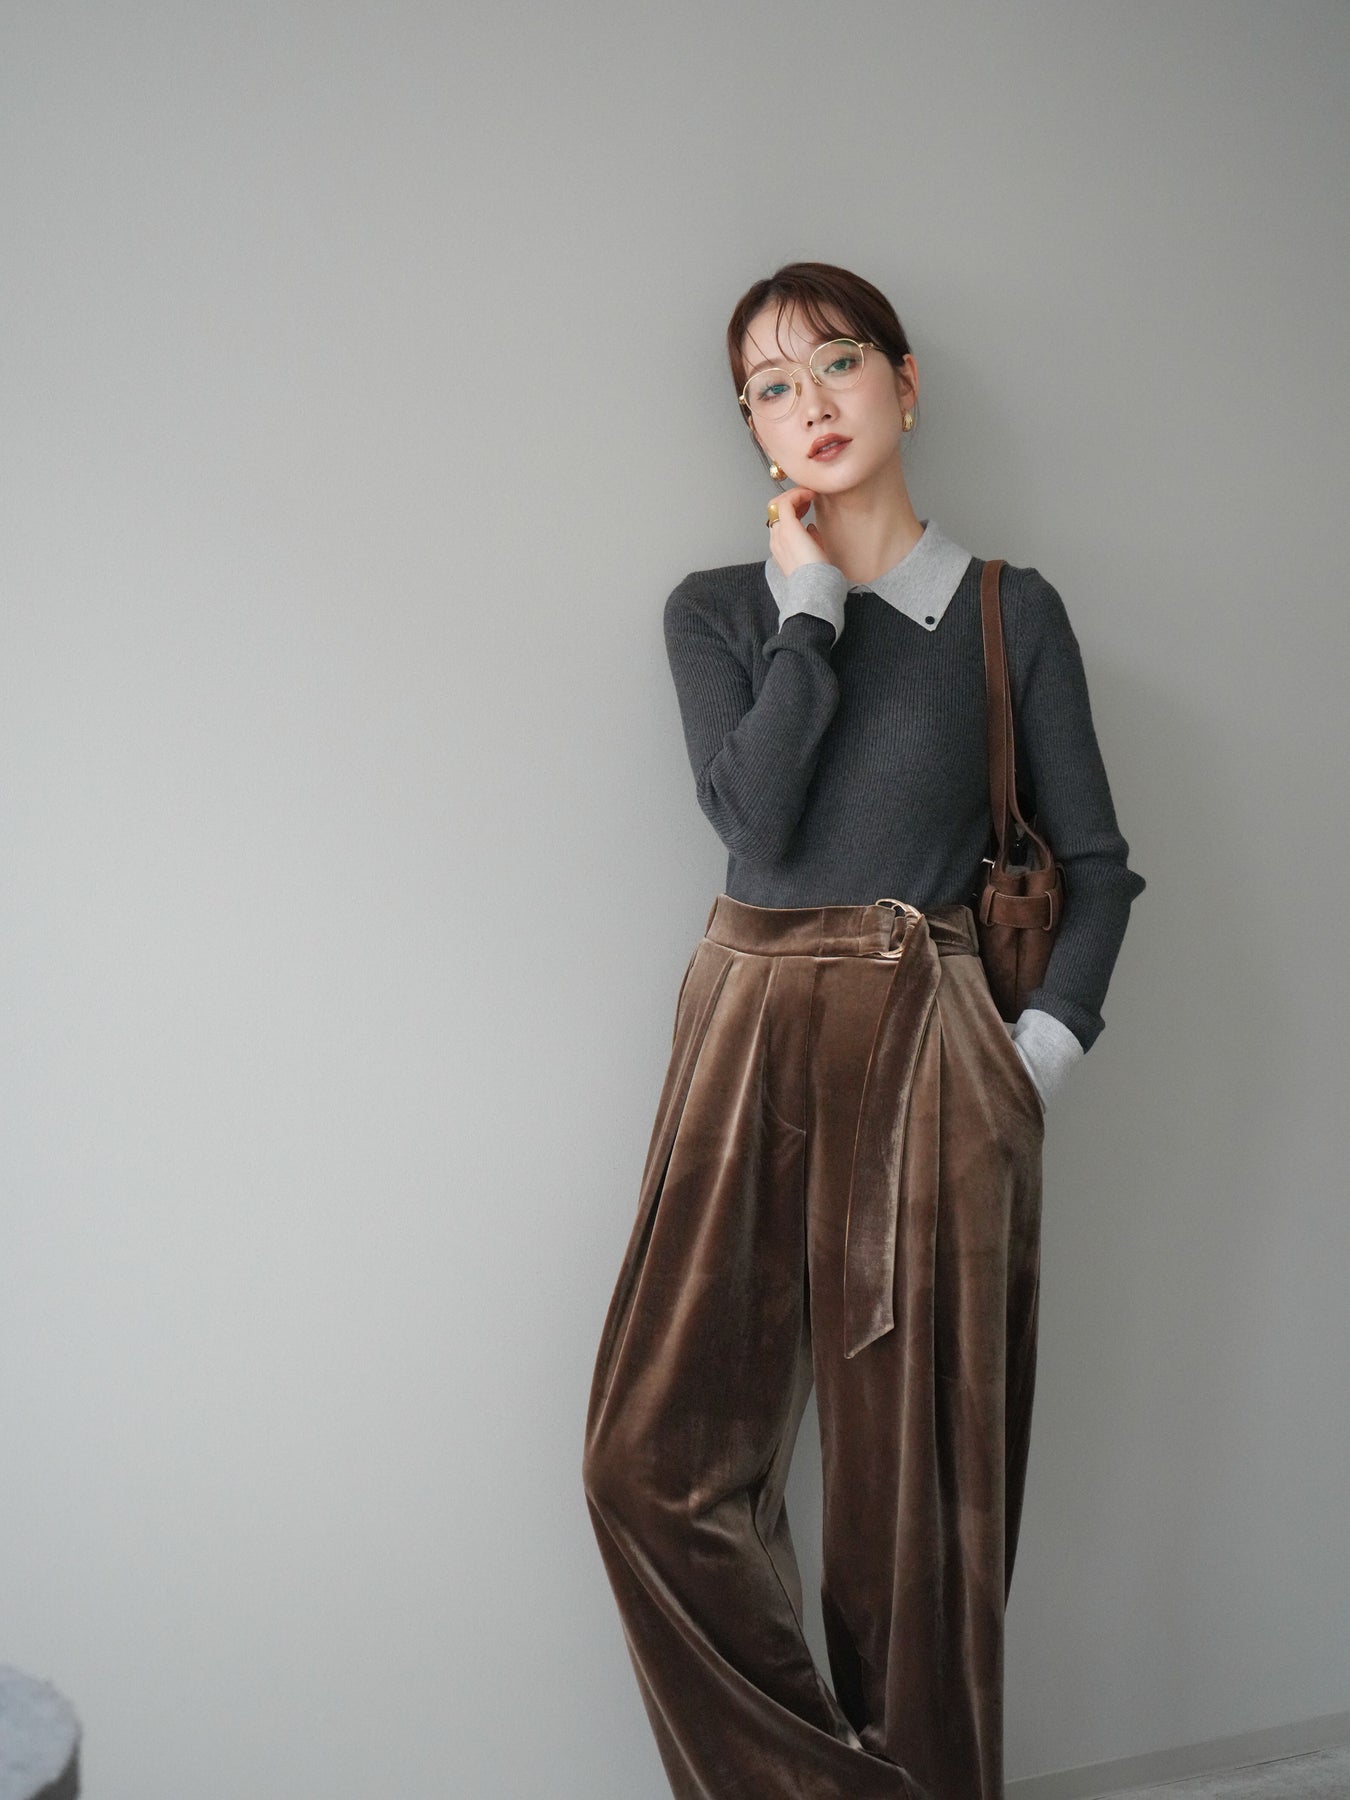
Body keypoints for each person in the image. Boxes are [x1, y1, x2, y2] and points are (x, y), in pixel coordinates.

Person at [581, 260, 1146, 1800]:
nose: (810, 402)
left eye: (836, 362)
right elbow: (755, 828)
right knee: (648, 1469)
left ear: (904, 383)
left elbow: (1096, 869)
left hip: (933, 1046)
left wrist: (1029, 1066)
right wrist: (809, 613)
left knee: (920, 1529)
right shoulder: (721, 611)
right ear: (753, 431)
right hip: (744, 1033)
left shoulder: (1006, 612)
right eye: (771, 387)